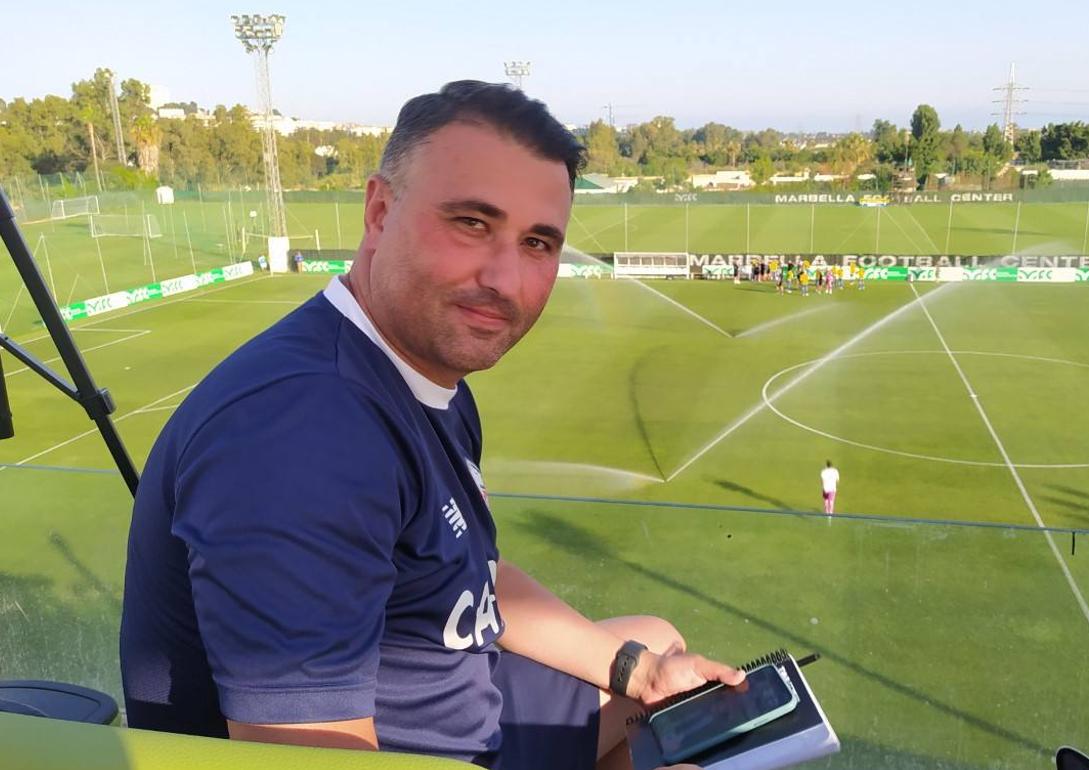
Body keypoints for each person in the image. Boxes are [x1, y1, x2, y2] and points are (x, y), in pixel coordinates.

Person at [119, 81, 741, 770]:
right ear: (380, 211)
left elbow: (474, 573)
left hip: (461, 703)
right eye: (472, 223)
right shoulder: (300, 438)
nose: (506, 279)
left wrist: (639, 672)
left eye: (538, 242)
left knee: (658, 647)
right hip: (407, 749)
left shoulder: (424, 374)